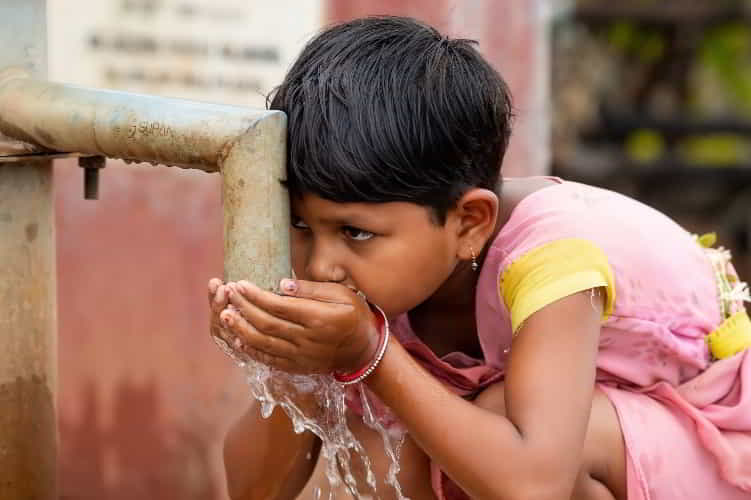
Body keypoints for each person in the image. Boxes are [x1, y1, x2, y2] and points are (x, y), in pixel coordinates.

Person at [207, 16, 751, 500]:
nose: (322, 265)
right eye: (301, 225)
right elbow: (254, 489)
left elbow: (535, 485)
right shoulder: (386, 272)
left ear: (469, 222)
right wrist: (292, 363)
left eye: (355, 232)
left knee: (492, 418)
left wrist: (370, 351)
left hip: (717, 442)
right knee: (376, 436)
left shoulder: (554, 257)